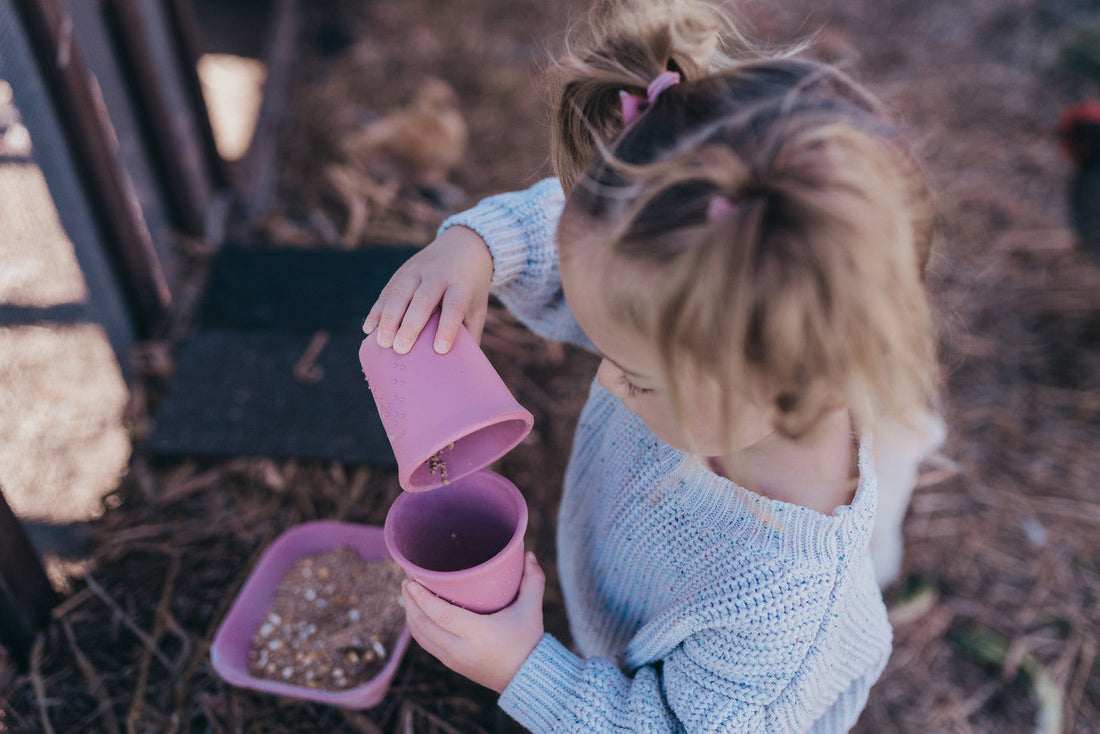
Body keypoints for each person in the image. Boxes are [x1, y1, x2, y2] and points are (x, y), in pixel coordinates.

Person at [362, 1, 944, 730]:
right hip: (613, 595)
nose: (604, 381)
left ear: (800, 385)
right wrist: (480, 248)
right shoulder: (708, 325)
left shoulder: (782, 613)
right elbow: (592, 239)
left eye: (636, 375)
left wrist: (524, 669)